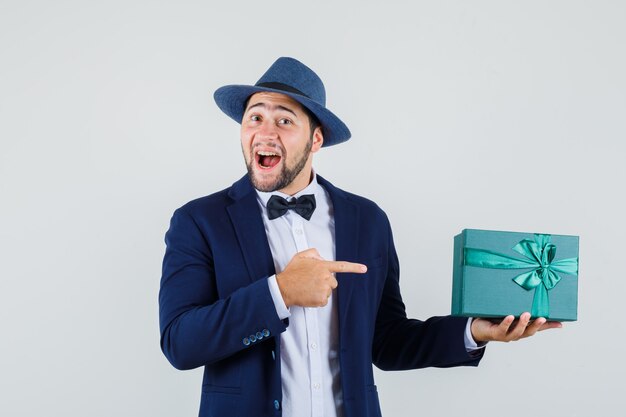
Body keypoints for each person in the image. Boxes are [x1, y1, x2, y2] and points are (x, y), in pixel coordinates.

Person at [158, 57, 561, 417]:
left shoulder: (366, 220)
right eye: (255, 118)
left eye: (284, 120)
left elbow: (386, 340)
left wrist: (474, 331)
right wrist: (279, 291)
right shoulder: (199, 221)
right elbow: (180, 343)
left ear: (316, 139)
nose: (265, 131)